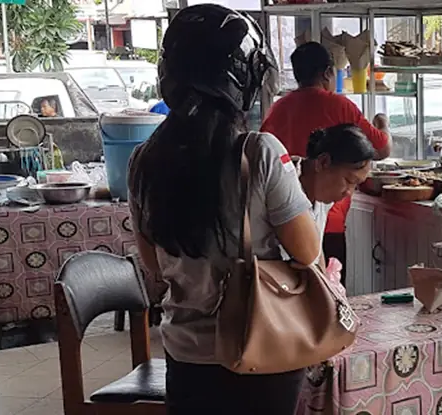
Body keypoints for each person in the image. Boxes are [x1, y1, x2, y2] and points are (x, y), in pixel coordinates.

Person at [126, 5, 321, 414]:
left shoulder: (144, 161)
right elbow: (306, 252)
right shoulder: (260, 152)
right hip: (261, 344)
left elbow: (154, 264)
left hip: (185, 352)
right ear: (244, 78)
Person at [261, 41, 391, 278]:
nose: (350, 190)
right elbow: (382, 148)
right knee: (318, 282)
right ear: (328, 73)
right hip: (325, 222)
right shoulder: (339, 105)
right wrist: (383, 124)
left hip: (287, 216)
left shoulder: (278, 108)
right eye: (349, 181)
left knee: (323, 282)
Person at [288, 124, 376, 266]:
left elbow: (316, 251)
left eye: (355, 185)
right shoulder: (285, 183)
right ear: (323, 162)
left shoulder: (323, 198)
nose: (349, 192)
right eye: (349, 181)